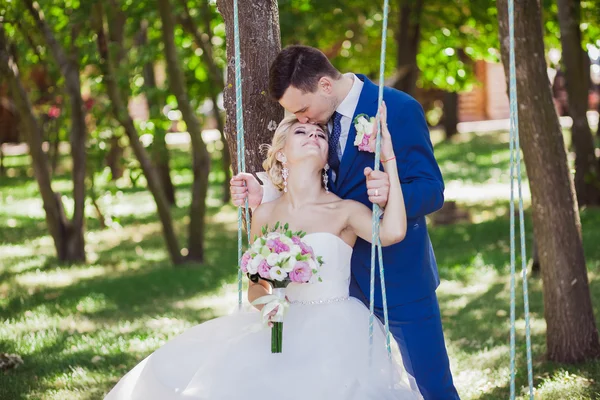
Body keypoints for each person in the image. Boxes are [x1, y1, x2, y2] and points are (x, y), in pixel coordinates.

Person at [105, 103, 422, 399]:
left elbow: (392, 233)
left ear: (327, 157)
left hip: (337, 328)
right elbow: (256, 286)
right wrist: (269, 304)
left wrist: (389, 161)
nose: (313, 136)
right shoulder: (266, 214)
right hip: (281, 328)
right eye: (302, 132)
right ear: (281, 154)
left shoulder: (344, 210)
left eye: (320, 135)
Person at [230, 45, 459, 399]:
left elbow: (432, 190)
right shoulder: (315, 125)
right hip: (336, 288)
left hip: (398, 277)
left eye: (303, 110)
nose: (304, 122)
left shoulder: (397, 109)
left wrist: (389, 194)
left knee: (431, 386)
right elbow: (311, 188)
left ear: (324, 85)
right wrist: (267, 192)